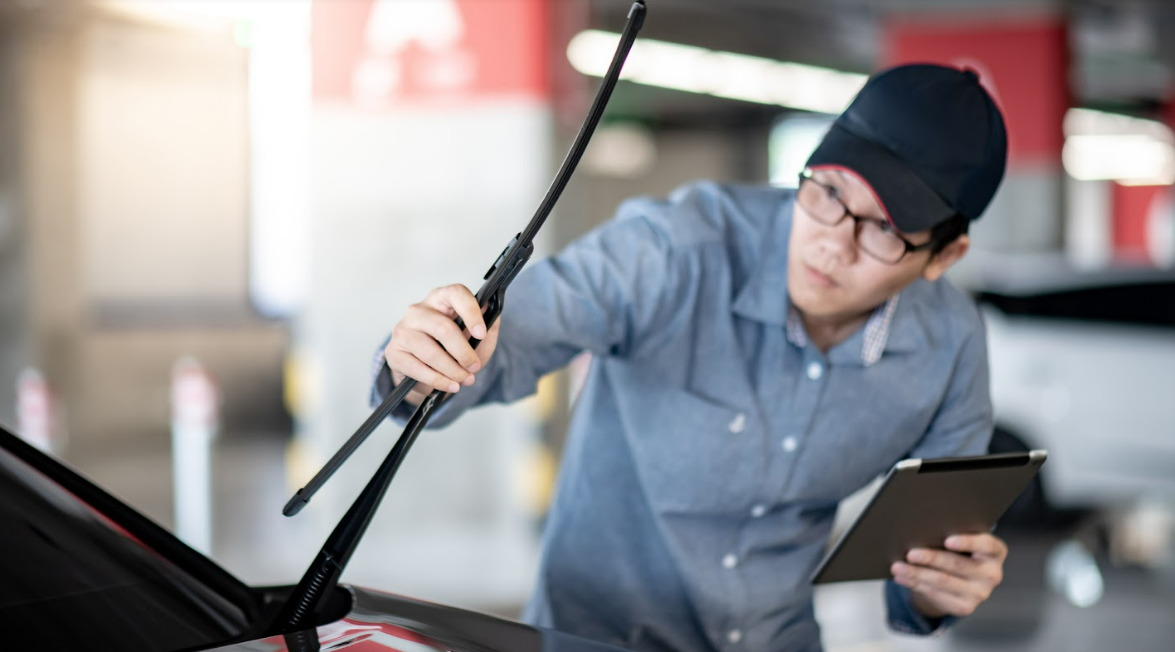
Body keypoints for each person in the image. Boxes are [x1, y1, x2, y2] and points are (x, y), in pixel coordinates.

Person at [372, 63, 1009, 652]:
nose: (833, 244)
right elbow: (514, 336)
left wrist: (937, 586)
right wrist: (427, 356)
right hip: (592, 639)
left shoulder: (950, 348)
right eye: (829, 193)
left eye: (885, 231)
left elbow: (929, 557)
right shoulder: (677, 249)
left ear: (944, 258)